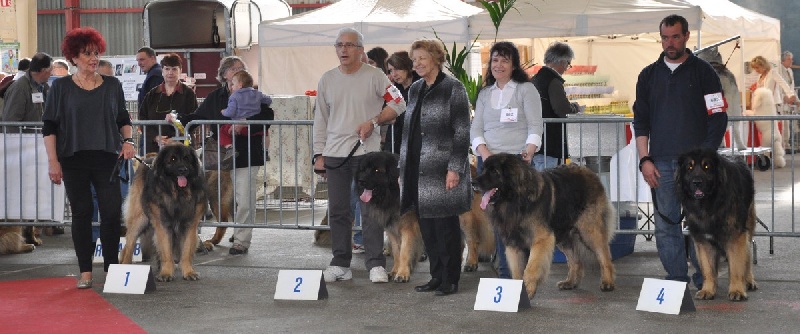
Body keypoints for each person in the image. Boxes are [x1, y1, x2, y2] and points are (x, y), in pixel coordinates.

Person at [633, 14, 728, 289]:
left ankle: (706, 279)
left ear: (686, 36)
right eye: (665, 37)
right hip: (660, 162)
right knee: (666, 225)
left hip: (698, 168)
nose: (670, 43)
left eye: (675, 36)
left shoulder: (704, 73)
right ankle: (675, 280)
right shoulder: (648, 75)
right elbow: (641, 121)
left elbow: (718, 115)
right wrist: (644, 160)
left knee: (702, 225)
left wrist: (706, 158)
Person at [42, 27, 135, 289]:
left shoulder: (112, 85)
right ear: (73, 57)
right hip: (73, 159)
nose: (93, 58)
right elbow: (49, 127)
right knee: (81, 213)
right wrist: (53, 161)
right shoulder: (60, 87)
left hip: (106, 157)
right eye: (87, 54)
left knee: (111, 213)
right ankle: (85, 272)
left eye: (96, 53)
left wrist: (128, 140)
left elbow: (123, 119)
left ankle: (111, 269)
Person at [312, 28, 405, 283]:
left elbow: (398, 103)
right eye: (339, 45)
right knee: (339, 211)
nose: (344, 50)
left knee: (371, 211)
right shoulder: (327, 79)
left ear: (361, 49)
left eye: (350, 45)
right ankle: (340, 262)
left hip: (368, 156)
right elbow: (320, 119)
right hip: (335, 155)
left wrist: (373, 122)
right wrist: (318, 154)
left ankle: (375, 263)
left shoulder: (375, 77)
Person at [167, 56, 273, 255]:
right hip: (220, 155)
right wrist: (176, 118)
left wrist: (247, 122)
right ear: (225, 75)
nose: (240, 70)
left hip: (248, 154)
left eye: (242, 68)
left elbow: (268, 116)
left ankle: (241, 240)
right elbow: (197, 117)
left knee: (245, 198)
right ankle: (208, 233)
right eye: (235, 68)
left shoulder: (253, 93)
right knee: (215, 197)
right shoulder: (215, 97)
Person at [401, 39, 471, 296]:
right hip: (417, 168)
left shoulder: (454, 88)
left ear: (436, 59)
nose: (417, 64)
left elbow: (462, 131)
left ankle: (450, 279)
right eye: (414, 59)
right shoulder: (415, 89)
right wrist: (403, 168)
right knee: (427, 227)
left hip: (442, 169)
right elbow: (409, 131)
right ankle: (435, 276)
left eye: (422, 58)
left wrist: (455, 168)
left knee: (446, 227)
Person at [470, 41, 543, 279]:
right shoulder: (484, 94)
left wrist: (529, 151)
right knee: (497, 220)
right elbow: (476, 129)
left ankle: (517, 275)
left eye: (504, 60)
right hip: (488, 163)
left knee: (516, 221)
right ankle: (506, 272)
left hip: (515, 165)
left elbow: (535, 126)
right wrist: (485, 154)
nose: (498, 65)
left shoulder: (526, 90)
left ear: (513, 65)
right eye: (495, 60)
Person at [531, 41, 580, 169]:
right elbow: (561, 109)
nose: (566, 68)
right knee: (549, 182)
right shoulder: (553, 81)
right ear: (562, 61)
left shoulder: (536, 79)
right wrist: (575, 108)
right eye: (568, 64)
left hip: (536, 142)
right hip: (550, 143)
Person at [138, 53, 198, 153]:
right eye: (167, 69)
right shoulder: (152, 95)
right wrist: (155, 137)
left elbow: (193, 119)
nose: (170, 72)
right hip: (154, 148)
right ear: (162, 71)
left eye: (174, 69)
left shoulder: (188, 94)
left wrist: (176, 139)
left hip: (182, 148)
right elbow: (143, 119)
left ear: (180, 71)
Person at [218, 70, 272, 160]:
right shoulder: (257, 93)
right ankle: (265, 151)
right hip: (256, 129)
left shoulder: (234, 97)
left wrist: (224, 112)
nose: (231, 87)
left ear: (239, 85)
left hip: (239, 128)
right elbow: (269, 100)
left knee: (223, 130)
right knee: (265, 132)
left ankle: (229, 148)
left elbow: (231, 111)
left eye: (233, 84)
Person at [2, 52, 53, 132]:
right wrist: (16, 142)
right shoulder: (20, 88)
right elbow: (11, 121)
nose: (51, 74)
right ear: (43, 70)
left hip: (39, 139)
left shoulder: (44, 87)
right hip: (25, 140)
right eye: (50, 70)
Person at [383, 51, 420, 153]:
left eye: (398, 69)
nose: (394, 74)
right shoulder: (395, 89)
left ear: (408, 67)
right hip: (395, 141)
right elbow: (386, 108)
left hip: (413, 143)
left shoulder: (420, 86)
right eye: (391, 71)